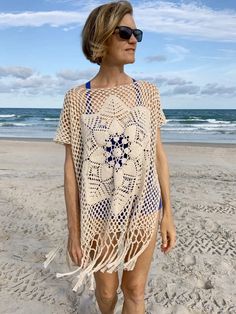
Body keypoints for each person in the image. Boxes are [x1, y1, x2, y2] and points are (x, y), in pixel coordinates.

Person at [43, 1, 176, 313]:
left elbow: (159, 156)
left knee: (135, 291)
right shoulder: (78, 99)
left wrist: (167, 213)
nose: (133, 40)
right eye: (124, 32)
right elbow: (72, 169)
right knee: (106, 293)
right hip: (98, 212)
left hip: (144, 209)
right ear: (100, 39)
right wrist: (74, 231)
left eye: (136, 33)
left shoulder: (148, 93)